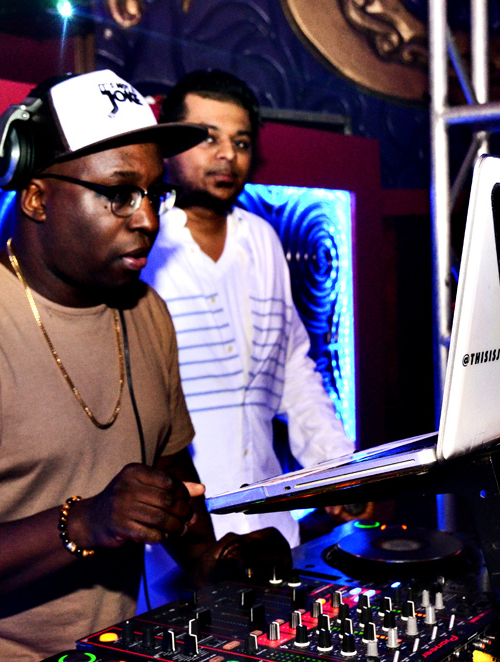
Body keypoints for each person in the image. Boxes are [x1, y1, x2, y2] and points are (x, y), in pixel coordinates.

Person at [0, 70, 287, 662]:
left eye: (154, 194)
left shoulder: (146, 312)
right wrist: (84, 523)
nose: (147, 219)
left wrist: (212, 560)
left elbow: (171, 477)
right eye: (119, 194)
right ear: (37, 197)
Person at [141, 70, 358, 547]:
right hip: (179, 543)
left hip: (272, 532)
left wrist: (338, 467)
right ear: (169, 147)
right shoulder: (143, 245)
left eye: (240, 142)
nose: (227, 155)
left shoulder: (262, 239)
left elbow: (293, 373)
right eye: (208, 138)